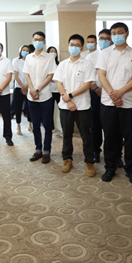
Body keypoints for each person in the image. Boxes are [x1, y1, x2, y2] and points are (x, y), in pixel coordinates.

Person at [96, 22, 132, 183]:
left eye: (120, 32)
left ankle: (131, 170)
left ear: (127, 33)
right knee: (109, 137)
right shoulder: (105, 53)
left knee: (130, 138)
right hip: (108, 103)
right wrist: (113, 94)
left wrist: (120, 92)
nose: (117, 35)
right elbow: (101, 75)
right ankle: (110, 168)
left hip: (129, 103)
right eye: (114, 33)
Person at [53, 34, 97, 177]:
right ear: (68, 46)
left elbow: (87, 84)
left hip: (83, 106)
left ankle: (89, 161)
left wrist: (70, 96)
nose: (74, 47)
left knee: (86, 135)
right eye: (71, 45)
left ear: (82, 48)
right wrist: (67, 99)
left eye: (77, 45)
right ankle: (67, 159)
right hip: (65, 106)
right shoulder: (62, 64)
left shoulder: (87, 64)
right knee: (66, 134)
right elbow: (59, 83)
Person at [24, 31, 56, 164]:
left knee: (47, 126)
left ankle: (47, 151)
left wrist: (38, 89)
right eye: (36, 39)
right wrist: (32, 89)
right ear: (32, 41)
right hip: (31, 97)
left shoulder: (49, 57)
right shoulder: (28, 57)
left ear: (44, 42)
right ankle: (38, 150)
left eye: (41, 39)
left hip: (46, 97)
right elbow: (27, 75)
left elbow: (50, 76)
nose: (38, 41)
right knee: (35, 125)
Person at [86, 29, 111, 163]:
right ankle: (96, 150)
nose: (104, 41)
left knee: (112, 125)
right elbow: (88, 76)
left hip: (112, 93)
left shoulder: (115, 55)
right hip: (96, 93)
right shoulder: (91, 56)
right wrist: (96, 88)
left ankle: (115, 155)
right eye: (101, 38)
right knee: (95, 124)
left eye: (107, 39)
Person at [12, 45, 31, 136]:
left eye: (27, 50)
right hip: (18, 87)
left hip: (29, 86)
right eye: (24, 50)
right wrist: (23, 86)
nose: (25, 52)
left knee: (29, 107)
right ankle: (18, 125)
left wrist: (27, 86)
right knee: (18, 107)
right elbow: (16, 75)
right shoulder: (16, 60)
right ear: (20, 51)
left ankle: (30, 124)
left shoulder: (31, 61)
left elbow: (31, 75)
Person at [46, 46, 62, 138]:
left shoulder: (59, 63)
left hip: (58, 90)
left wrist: (54, 79)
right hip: (50, 90)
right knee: (50, 111)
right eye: (51, 51)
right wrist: (54, 79)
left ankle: (63, 127)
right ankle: (52, 129)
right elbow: (47, 77)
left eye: (54, 51)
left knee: (61, 109)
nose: (53, 53)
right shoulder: (46, 63)